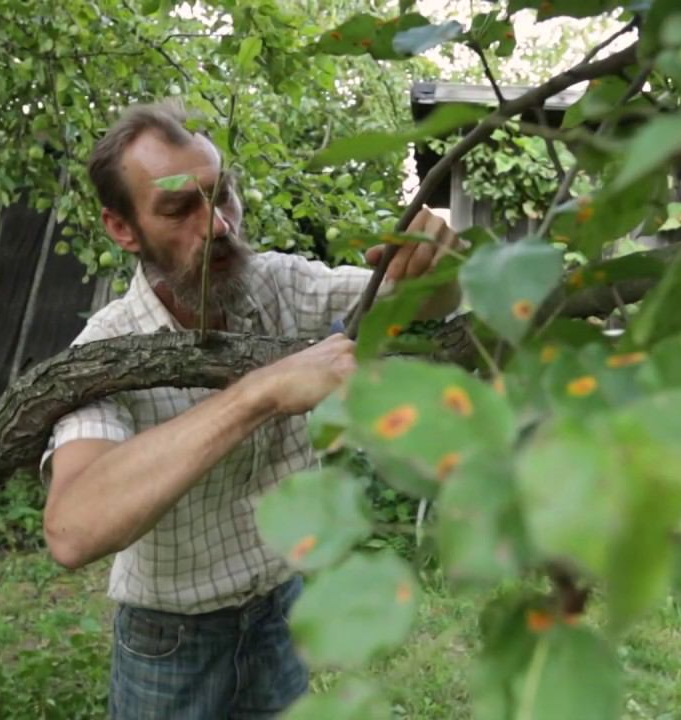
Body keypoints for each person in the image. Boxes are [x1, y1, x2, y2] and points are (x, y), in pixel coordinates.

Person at [40, 98, 459, 719]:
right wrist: (259, 393)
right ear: (122, 229)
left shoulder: (275, 285)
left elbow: (418, 301)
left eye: (223, 195)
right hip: (171, 643)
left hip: (280, 611)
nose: (216, 226)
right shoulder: (105, 349)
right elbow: (73, 531)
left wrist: (438, 269)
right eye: (179, 209)